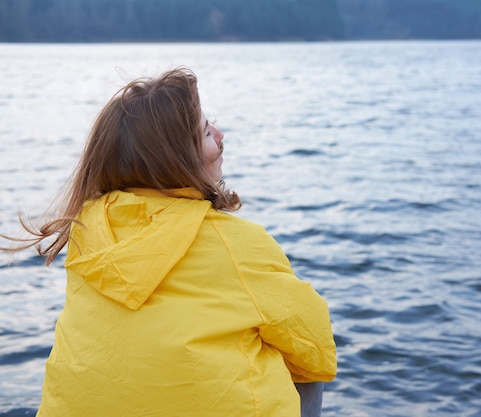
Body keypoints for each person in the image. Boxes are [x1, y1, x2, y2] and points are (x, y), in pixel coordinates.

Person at [1, 67, 337, 417]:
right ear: (176, 159)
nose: (221, 135)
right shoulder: (236, 242)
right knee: (300, 363)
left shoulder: (88, 228)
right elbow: (318, 350)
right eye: (207, 132)